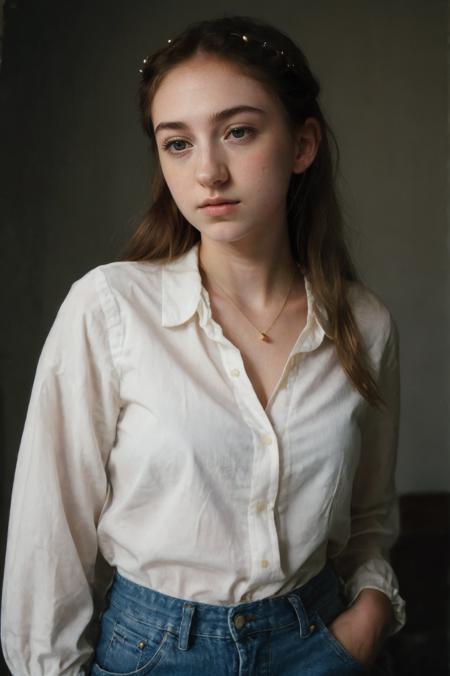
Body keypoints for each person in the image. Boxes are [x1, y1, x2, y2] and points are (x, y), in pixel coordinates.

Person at [1, 14, 406, 676]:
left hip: (319, 645)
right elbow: (50, 538)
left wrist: (368, 616)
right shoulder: (109, 309)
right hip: (153, 652)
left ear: (302, 145)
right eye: (178, 144)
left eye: (238, 132)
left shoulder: (364, 324)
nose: (208, 172)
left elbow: (370, 516)